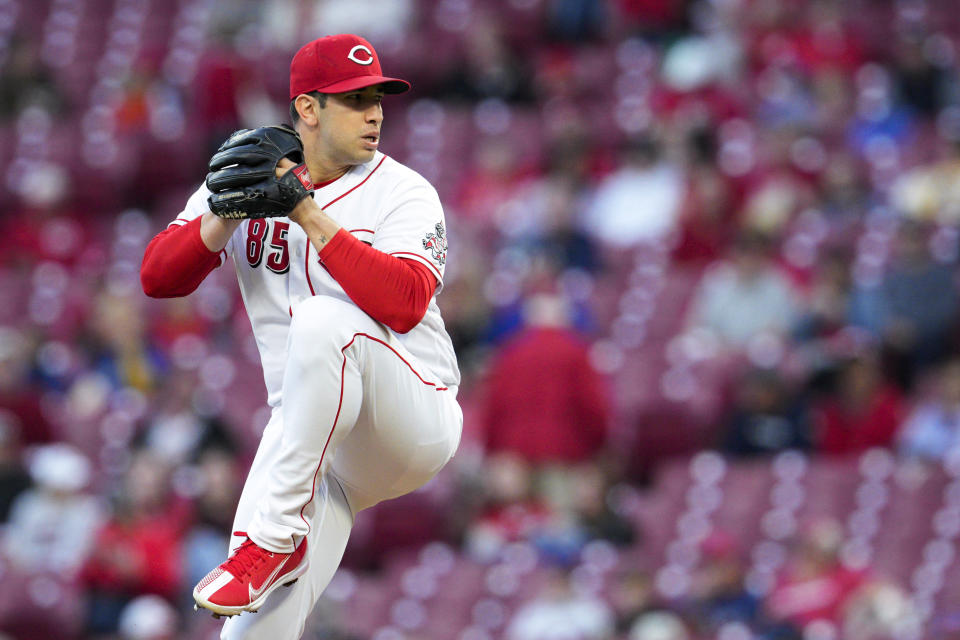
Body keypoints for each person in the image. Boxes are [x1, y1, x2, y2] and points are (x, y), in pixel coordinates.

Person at [139, 34, 462, 639]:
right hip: (312, 443)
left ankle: (275, 541)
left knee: (321, 319)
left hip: (408, 412)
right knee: (247, 627)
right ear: (308, 109)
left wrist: (307, 213)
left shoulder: (405, 190)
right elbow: (158, 277)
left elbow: (406, 300)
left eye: (379, 99)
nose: (375, 113)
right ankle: (274, 549)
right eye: (356, 99)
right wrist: (223, 212)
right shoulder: (251, 170)